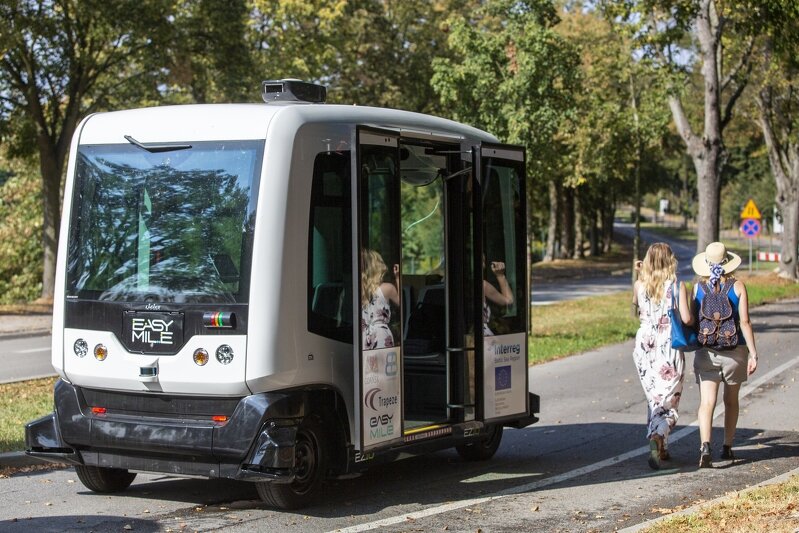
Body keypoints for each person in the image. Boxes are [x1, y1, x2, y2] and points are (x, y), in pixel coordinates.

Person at [679, 241, 758, 468]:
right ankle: (727, 447)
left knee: (707, 403)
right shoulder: (738, 286)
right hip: (736, 353)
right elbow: (744, 321)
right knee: (731, 401)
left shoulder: (698, 288)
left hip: (706, 352)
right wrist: (753, 354)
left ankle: (705, 446)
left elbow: (693, 320)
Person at [632, 242, 688, 470]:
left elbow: (635, 308)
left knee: (654, 399)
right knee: (669, 400)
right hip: (668, 345)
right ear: (670, 260)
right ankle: (657, 437)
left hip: (644, 344)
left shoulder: (639, 284)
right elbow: (686, 318)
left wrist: (640, 274)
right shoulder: (676, 285)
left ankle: (662, 447)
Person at [360, 249, 400, 350]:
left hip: (363, 336)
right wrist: (398, 278)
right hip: (381, 335)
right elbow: (401, 304)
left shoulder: (360, 290)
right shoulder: (387, 288)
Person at [483, 259, 514, 336]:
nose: (484, 266)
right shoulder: (483, 285)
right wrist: (500, 275)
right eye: (481, 261)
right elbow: (508, 301)